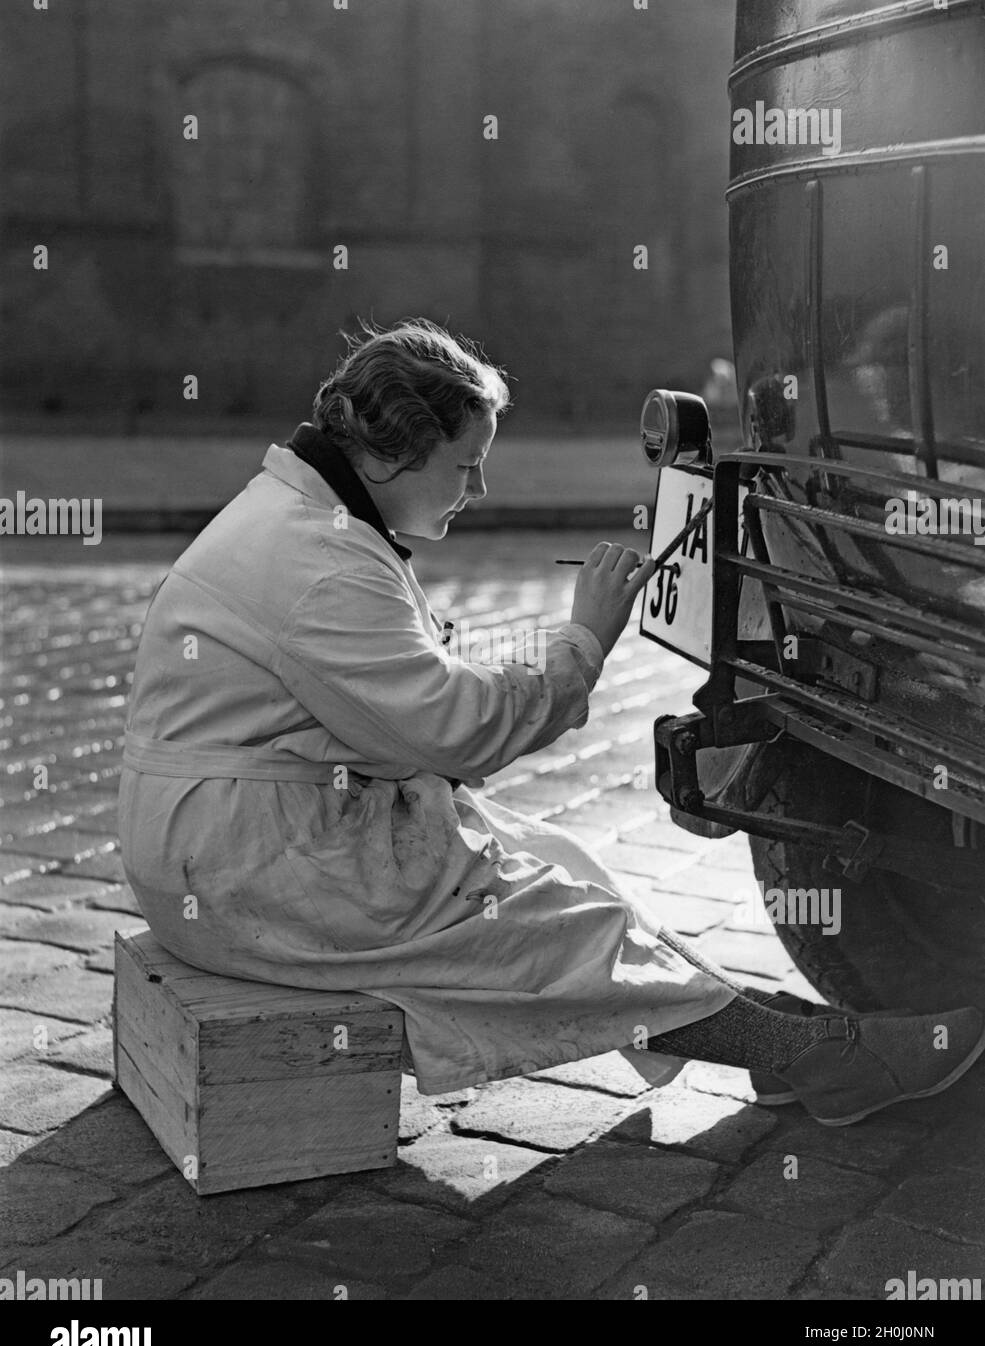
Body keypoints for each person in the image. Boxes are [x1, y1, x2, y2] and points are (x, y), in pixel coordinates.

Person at [118, 318, 985, 1128]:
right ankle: (822, 1058)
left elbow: (392, 695)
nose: (482, 486)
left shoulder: (310, 519)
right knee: (556, 932)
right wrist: (583, 639)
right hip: (244, 862)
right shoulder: (320, 561)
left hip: (229, 834)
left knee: (570, 866)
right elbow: (455, 732)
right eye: (465, 465)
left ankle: (781, 1035)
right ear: (396, 454)